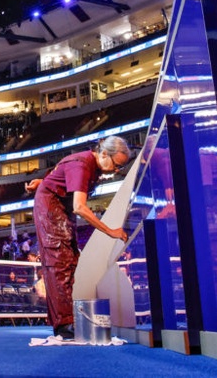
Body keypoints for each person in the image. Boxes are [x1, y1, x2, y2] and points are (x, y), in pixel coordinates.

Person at [26, 136, 131, 339]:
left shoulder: (89, 166)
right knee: (60, 261)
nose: (116, 171)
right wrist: (110, 231)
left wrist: (44, 182)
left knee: (71, 259)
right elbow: (80, 207)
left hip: (60, 207)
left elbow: (59, 172)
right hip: (52, 206)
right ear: (103, 154)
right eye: (116, 165)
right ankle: (63, 324)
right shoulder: (83, 164)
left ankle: (65, 319)